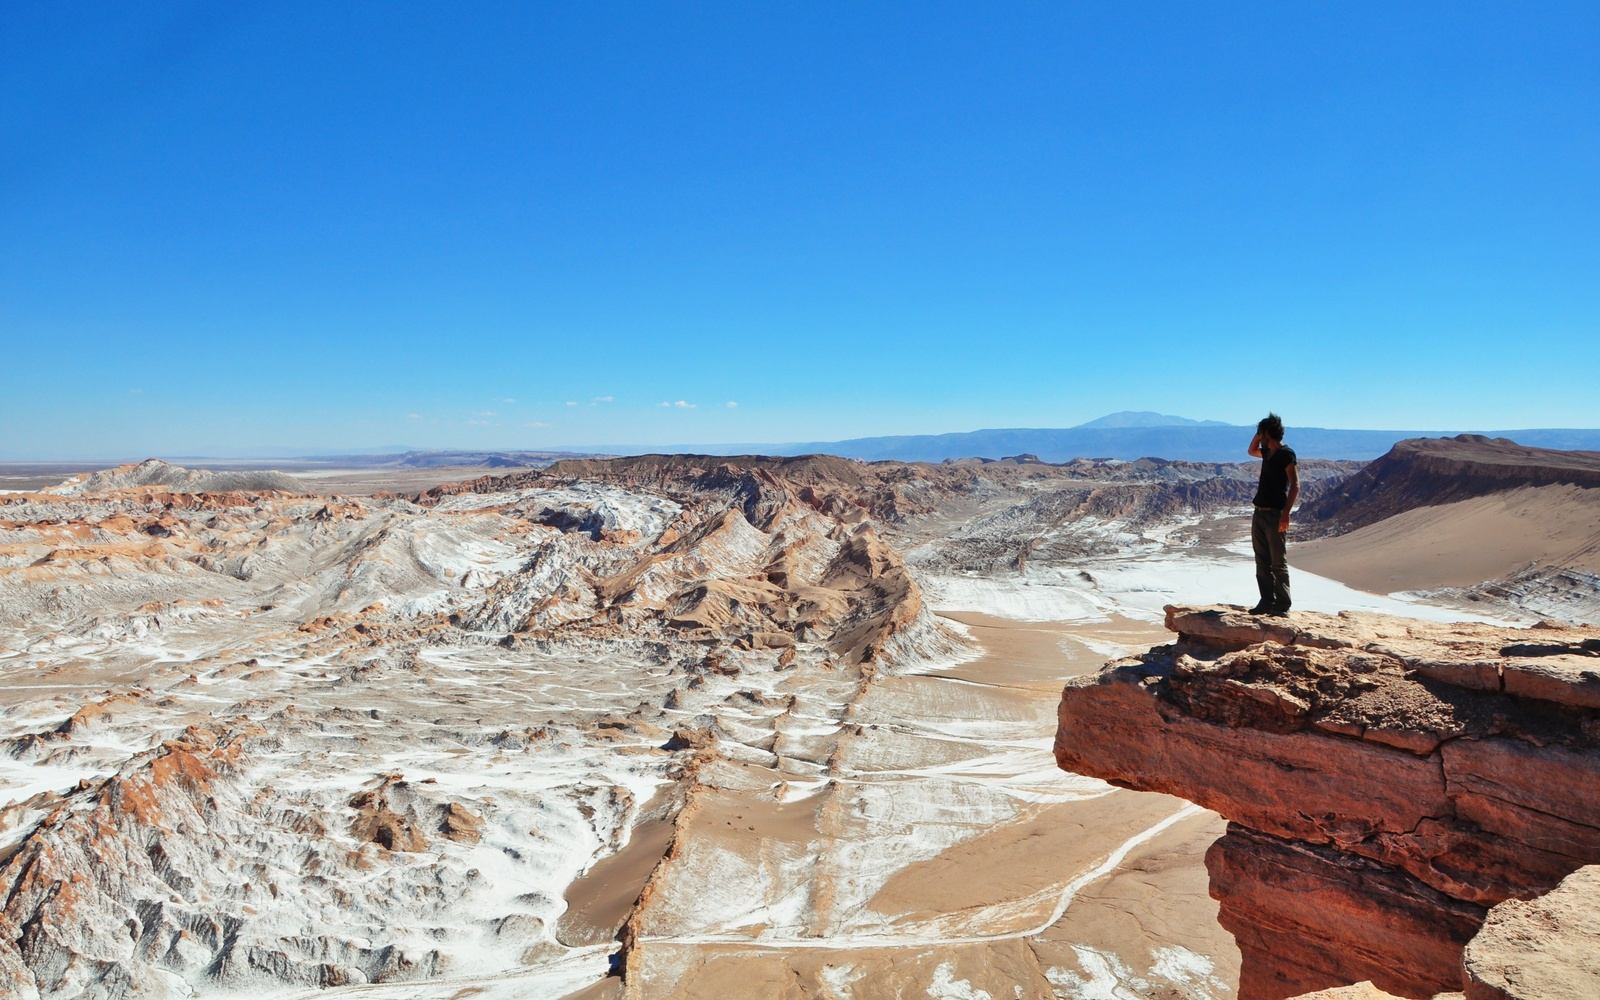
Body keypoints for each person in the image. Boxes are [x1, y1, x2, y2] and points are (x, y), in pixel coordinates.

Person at [1247, 413, 1298, 615]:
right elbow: (1251, 451)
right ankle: (1266, 601)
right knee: (1261, 560)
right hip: (1259, 512)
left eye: (1263, 433)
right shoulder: (1267, 452)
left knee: (1278, 562)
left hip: (1276, 514)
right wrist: (1259, 435)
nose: (1260, 437)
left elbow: (1295, 485)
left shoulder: (1287, 454)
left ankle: (1283, 606)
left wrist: (1286, 513)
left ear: (1270, 433)